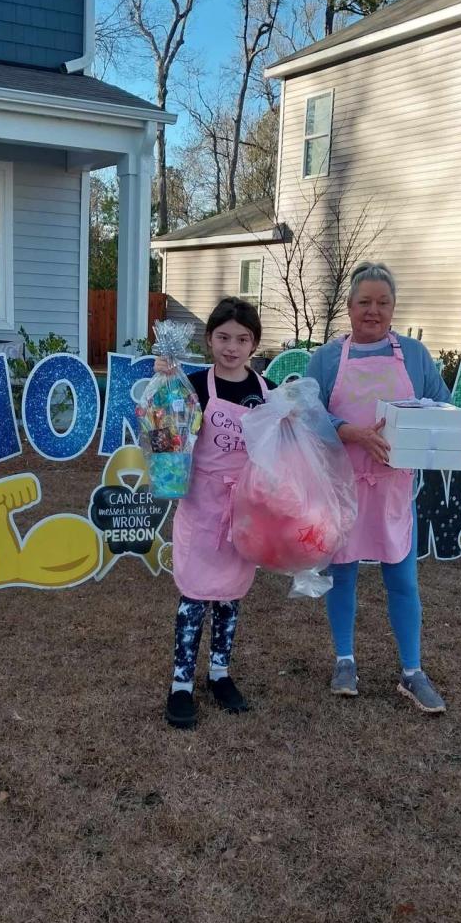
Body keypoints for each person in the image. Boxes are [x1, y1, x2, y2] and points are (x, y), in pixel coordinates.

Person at [307, 262, 451, 714]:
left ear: (393, 308)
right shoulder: (328, 358)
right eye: (364, 302)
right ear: (348, 308)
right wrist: (352, 432)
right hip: (343, 486)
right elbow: (309, 416)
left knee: (402, 579)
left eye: (382, 303)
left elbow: (442, 406)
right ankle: (344, 660)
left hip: (393, 488)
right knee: (342, 573)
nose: (373, 311)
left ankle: (412, 671)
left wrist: (425, 428)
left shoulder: (415, 355)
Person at [155, 297, 275, 729]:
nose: (232, 347)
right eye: (223, 337)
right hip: (201, 505)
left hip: (244, 509)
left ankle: (220, 673)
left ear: (254, 344)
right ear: (208, 339)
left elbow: (279, 447)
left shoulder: (266, 391)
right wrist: (164, 389)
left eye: (242, 339)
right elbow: (165, 432)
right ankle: (181, 683)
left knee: (229, 596)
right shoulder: (191, 385)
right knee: (194, 595)